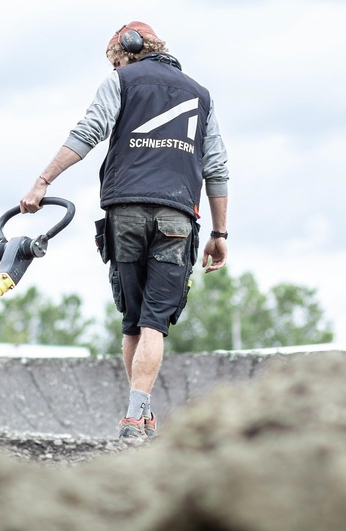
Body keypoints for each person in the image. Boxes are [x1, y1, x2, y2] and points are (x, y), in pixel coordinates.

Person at [20, 21, 229, 440]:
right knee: (153, 322)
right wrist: (220, 234)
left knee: (133, 321)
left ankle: (138, 413)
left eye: (115, 58)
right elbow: (216, 167)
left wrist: (44, 180)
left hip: (126, 210)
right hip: (177, 218)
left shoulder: (121, 80)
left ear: (128, 49)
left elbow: (89, 132)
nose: (114, 64)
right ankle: (137, 414)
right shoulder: (201, 96)